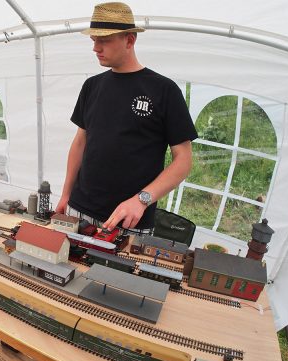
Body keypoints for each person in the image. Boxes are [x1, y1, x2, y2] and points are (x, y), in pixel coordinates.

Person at [55, 2, 197, 235]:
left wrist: (141, 200)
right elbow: (80, 141)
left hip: (130, 221)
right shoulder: (92, 86)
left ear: (129, 40)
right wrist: (66, 194)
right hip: (78, 210)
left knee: (115, 273)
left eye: (104, 40)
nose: (96, 48)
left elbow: (183, 160)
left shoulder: (164, 90)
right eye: (94, 40)